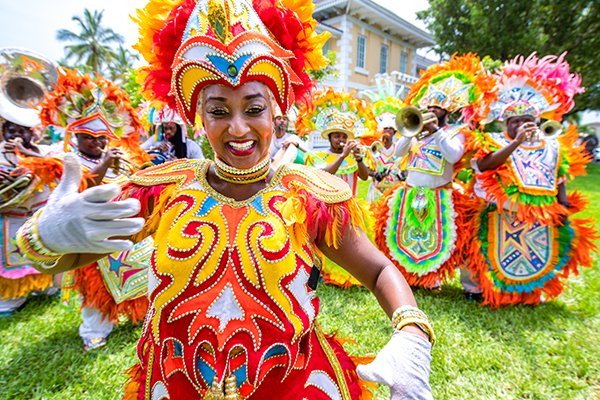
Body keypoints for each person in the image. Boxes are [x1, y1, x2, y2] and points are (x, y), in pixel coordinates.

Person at [16, 0, 435, 399]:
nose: (238, 128)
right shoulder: (161, 189)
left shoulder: (309, 196)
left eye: (253, 108)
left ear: (276, 113)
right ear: (199, 116)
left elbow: (379, 271)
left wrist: (411, 335)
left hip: (292, 388)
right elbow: (67, 257)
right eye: (219, 111)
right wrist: (48, 234)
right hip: (174, 387)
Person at [28, 68, 154, 349]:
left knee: (140, 273)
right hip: (89, 237)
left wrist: (133, 173)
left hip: (124, 233)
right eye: (88, 137)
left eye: (101, 138)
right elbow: (79, 190)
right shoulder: (64, 161)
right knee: (94, 288)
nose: (96, 142)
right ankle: (94, 329)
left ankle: (137, 315)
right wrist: (106, 163)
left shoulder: (120, 157)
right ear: (75, 136)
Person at [465, 53, 598, 307]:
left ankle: (527, 294)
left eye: (528, 120)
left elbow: (558, 175)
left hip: (538, 215)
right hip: (497, 213)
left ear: (538, 121)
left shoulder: (552, 145)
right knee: (485, 250)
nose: (523, 125)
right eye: (516, 121)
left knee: (532, 255)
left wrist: (564, 208)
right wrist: (516, 143)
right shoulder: (495, 141)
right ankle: (477, 289)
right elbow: (484, 165)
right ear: (507, 123)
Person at [372, 54, 495, 289]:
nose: (431, 110)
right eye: (429, 106)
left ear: (447, 110)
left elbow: (454, 155)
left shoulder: (455, 131)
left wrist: (436, 131)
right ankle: (413, 279)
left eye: (436, 107)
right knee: (407, 237)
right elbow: (398, 154)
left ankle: (448, 281)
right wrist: (411, 133)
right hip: (411, 192)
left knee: (449, 239)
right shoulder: (416, 132)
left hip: (441, 194)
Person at [0, 120, 55, 316]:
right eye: (11, 130)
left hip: (39, 215)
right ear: (4, 132)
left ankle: (46, 287)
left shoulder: (45, 151)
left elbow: (56, 169)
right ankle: (12, 297)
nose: (16, 135)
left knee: (44, 253)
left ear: (33, 134)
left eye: (23, 131)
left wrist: (25, 152)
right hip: (9, 217)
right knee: (13, 256)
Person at [298, 87, 372, 197]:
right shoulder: (318, 156)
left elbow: (364, 177)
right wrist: (342, 156)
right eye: (337, 136)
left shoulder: (353, 158)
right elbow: (323, 175)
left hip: (350, 207)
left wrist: (359, 159)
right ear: (329, 138)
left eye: (344, 137)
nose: (341, 140)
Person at [361, 78, 405, 202]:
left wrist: (403, 175)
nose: (387, 131)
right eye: (385, 128)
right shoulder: (373, 147)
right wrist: (375, 174)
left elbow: (406, 167)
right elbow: (366, 167)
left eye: (390, 129)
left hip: (395, 192)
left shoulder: (400, 148)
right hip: (376, 191)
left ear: (395, 131)